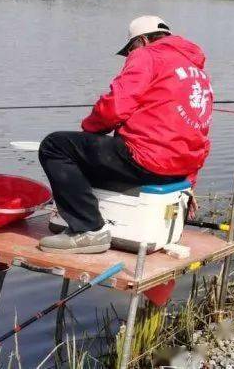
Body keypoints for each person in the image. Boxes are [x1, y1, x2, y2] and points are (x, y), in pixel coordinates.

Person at [37, 16, 213, 255]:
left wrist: (90, 130)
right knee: (90, 152)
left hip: (146, 159)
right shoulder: (198, 73)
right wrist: (188, 185)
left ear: (141, 41)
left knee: (55, 146)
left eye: (130, 49)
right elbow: (199, 132)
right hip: (179, 170)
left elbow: (116, 106)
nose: (130, 55)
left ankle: (89, 230)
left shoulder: (147, 55)